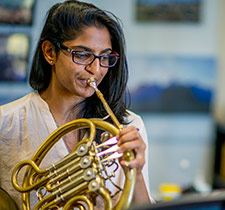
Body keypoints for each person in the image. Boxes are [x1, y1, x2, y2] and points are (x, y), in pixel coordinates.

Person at [0, 0, 151, 208]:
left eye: (105, 57)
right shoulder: (5, 123)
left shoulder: (129, 126)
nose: (96, 70)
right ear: (50, 52)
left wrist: (138, 171)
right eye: (82, 55)